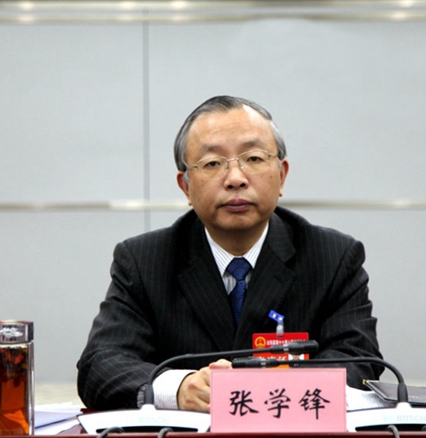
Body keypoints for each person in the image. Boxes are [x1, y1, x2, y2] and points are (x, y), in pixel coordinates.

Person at [77, 95, 383, 412]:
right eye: (212, 163)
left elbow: (359, 362)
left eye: (253, 158)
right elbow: (101, 364)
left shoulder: (332, 257)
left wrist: (265, 389)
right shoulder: (144, 261)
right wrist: (178, 388)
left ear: (282, 175)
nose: (236, 179)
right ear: (186, 187)